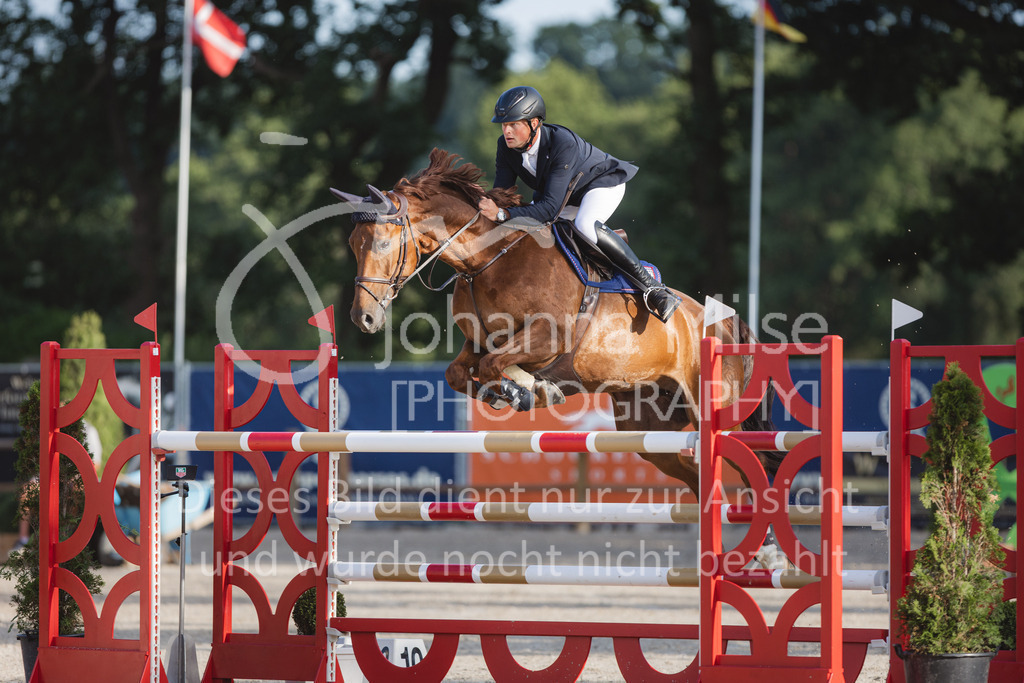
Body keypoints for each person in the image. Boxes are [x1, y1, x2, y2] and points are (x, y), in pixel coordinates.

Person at [477, 86, 680, 323]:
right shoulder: (505, 146)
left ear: (534, 123)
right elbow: (501, 194)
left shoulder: (562, 143)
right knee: (532, 234)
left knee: (585, 225)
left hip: (602, 184)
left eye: (513, 124)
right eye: (504, 125)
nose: (506, 131)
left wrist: (502, 215)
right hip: (566, 195)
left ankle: (655, 290)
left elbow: (548, 210)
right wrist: (480, 202)